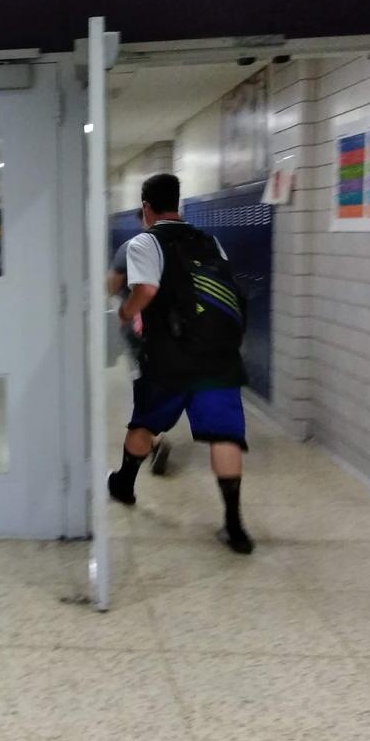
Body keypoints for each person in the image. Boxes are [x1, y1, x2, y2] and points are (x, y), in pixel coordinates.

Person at [109, 173, 255, 554]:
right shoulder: (210, 241)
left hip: (169, 357)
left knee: (145, 422)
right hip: (219, 355)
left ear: (146, 208)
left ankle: (124, 484)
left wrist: (126, 312)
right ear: (179, 204)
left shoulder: (145, 241)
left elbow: (147, 290)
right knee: (225, 435)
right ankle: (234, 525)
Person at [106, 207, 171, 476]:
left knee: (142, 381)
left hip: (140, 330)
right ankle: (154, 430)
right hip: (176, 332)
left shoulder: (131, 248)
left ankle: (150, 438)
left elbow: (111, 285)